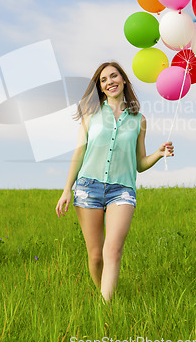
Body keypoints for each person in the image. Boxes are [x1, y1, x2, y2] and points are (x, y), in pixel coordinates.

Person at [55, 61, 174, 301]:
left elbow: (139, 163)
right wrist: (67, 189)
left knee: (113, 250)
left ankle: (106, 308)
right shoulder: (91, 115)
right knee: (96, 256)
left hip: (122, 190)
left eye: (114, 76)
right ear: (100, 88)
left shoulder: (139, 120)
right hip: (87, 189)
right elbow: (79, 154)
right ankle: (104, 294)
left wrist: (158, 154)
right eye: (104, 80)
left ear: (124, 80)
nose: (110, 82)